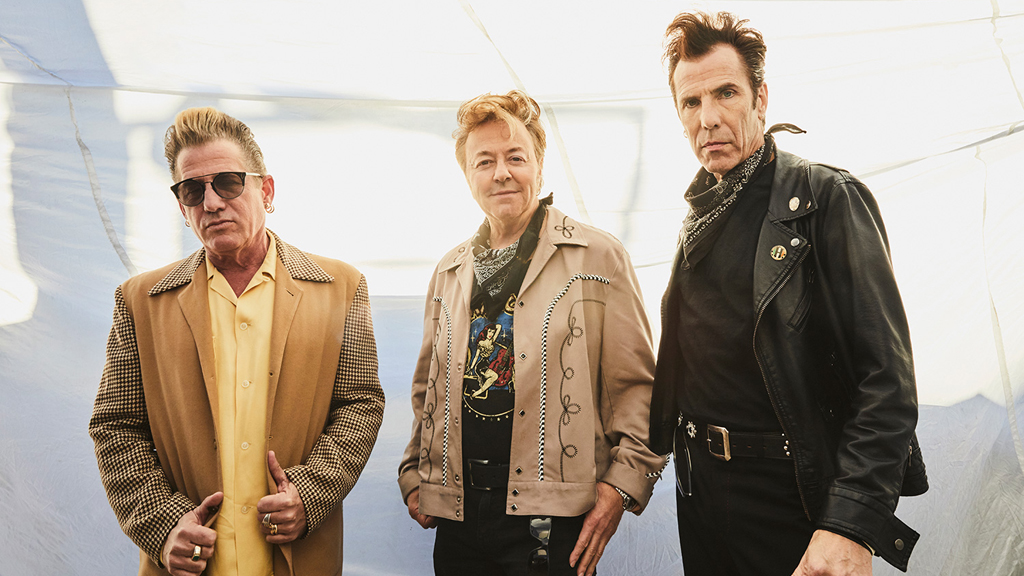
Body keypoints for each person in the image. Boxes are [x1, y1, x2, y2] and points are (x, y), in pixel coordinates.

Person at [647, 11, 929, 576]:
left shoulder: (825, 197)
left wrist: (850, 524)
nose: (708, 118)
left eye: (726, 93)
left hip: (791, 501)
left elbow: (888, 383)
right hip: (701, 499)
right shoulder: (700, 214)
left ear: (761, 98)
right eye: (690, 102)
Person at [89, 107, 385, 576]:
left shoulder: (341, 288)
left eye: (227, 182)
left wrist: (310, 495)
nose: (211, 203)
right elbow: (116, 426)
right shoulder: (139, 302)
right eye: (192, 190)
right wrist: (164, 526)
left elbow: (360, 403)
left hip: (298, 561)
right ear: (182, 207)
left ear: (266, 191)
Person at [398, 90, 664, 576]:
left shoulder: (597, 258)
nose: (501, 172)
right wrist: (414, 474)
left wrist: (620, 488)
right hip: (457, 517)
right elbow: (427, 389)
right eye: (484, 161)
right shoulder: (449, 271)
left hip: (552, 520)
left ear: (540, 166)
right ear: (468, 176)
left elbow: (637, 390)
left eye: (515, 157)